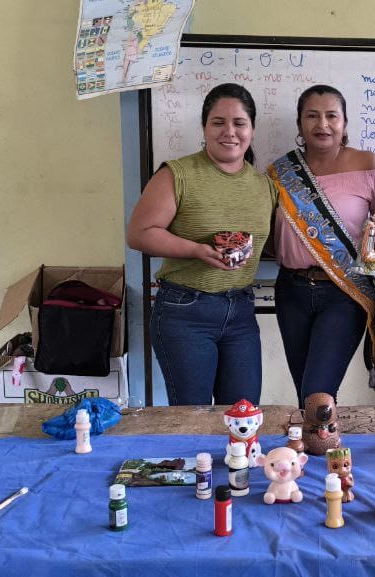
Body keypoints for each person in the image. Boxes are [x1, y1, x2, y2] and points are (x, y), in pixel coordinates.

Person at [126, 83, 277, 406]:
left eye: (239, 123)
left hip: (241, 311)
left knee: (243, 414)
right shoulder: (178, 174)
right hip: (185, 311)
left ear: (252, 129)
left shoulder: (264, 185)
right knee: (192, 418)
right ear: (204, 127)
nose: (229, 132)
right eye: (218, 122)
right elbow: (139, 233)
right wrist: (198, 250)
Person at [267, 85, 375, 404]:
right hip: (291, 291)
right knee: (306, 395)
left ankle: (321, 436)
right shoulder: (279, 172)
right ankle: (312, 438)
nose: (322, 124)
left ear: (344, 123)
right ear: (299, 124)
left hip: (344, 293)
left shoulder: (368, 165)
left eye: (331, 116)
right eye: (312, 116)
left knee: (317, 393)